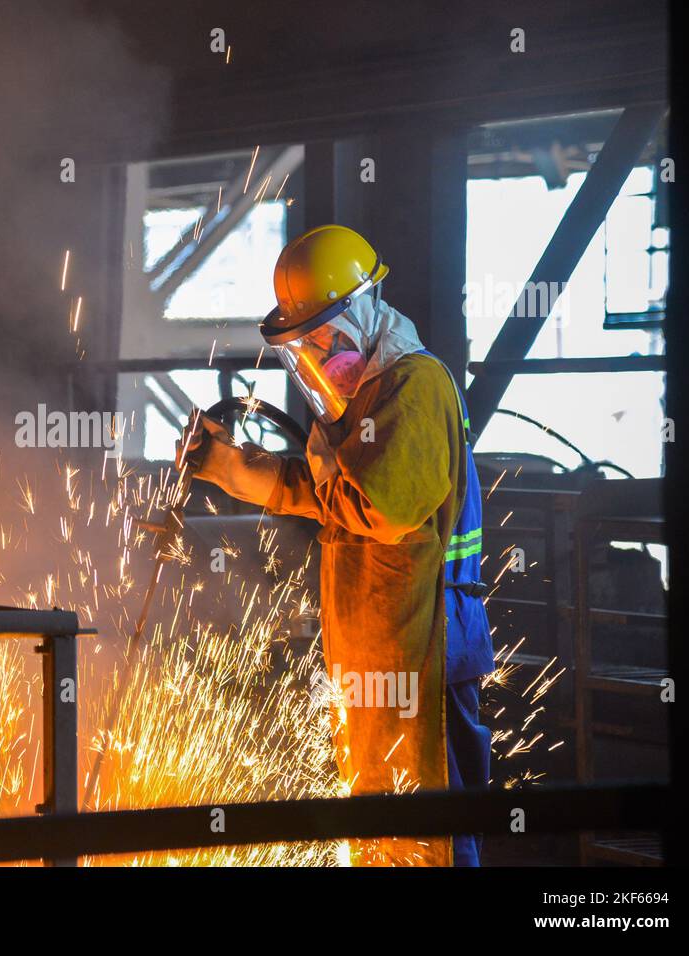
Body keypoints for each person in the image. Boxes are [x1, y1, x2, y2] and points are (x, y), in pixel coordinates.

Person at [179, 224, 493, 866]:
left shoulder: (415, 384)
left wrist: (281, 469)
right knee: (379, 817)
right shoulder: (366, 399)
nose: (322, 357)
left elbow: (377, 506)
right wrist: (235, 468)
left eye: (328, 335)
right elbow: (337, 493)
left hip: (430, 637)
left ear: (369, 308)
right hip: (379, 642)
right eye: (306, 345)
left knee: (433, 820)